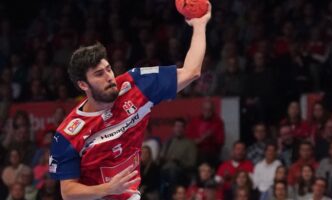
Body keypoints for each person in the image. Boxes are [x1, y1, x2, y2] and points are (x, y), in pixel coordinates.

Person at [49, 6, 212, 200]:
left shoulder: (136, 85)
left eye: (108, 69)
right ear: (83, 84)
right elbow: (68, 192)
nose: (109, 77)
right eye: (99, 74)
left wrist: (200, 25)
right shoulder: (67, 134)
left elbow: (191, 72)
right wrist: (108, 189)